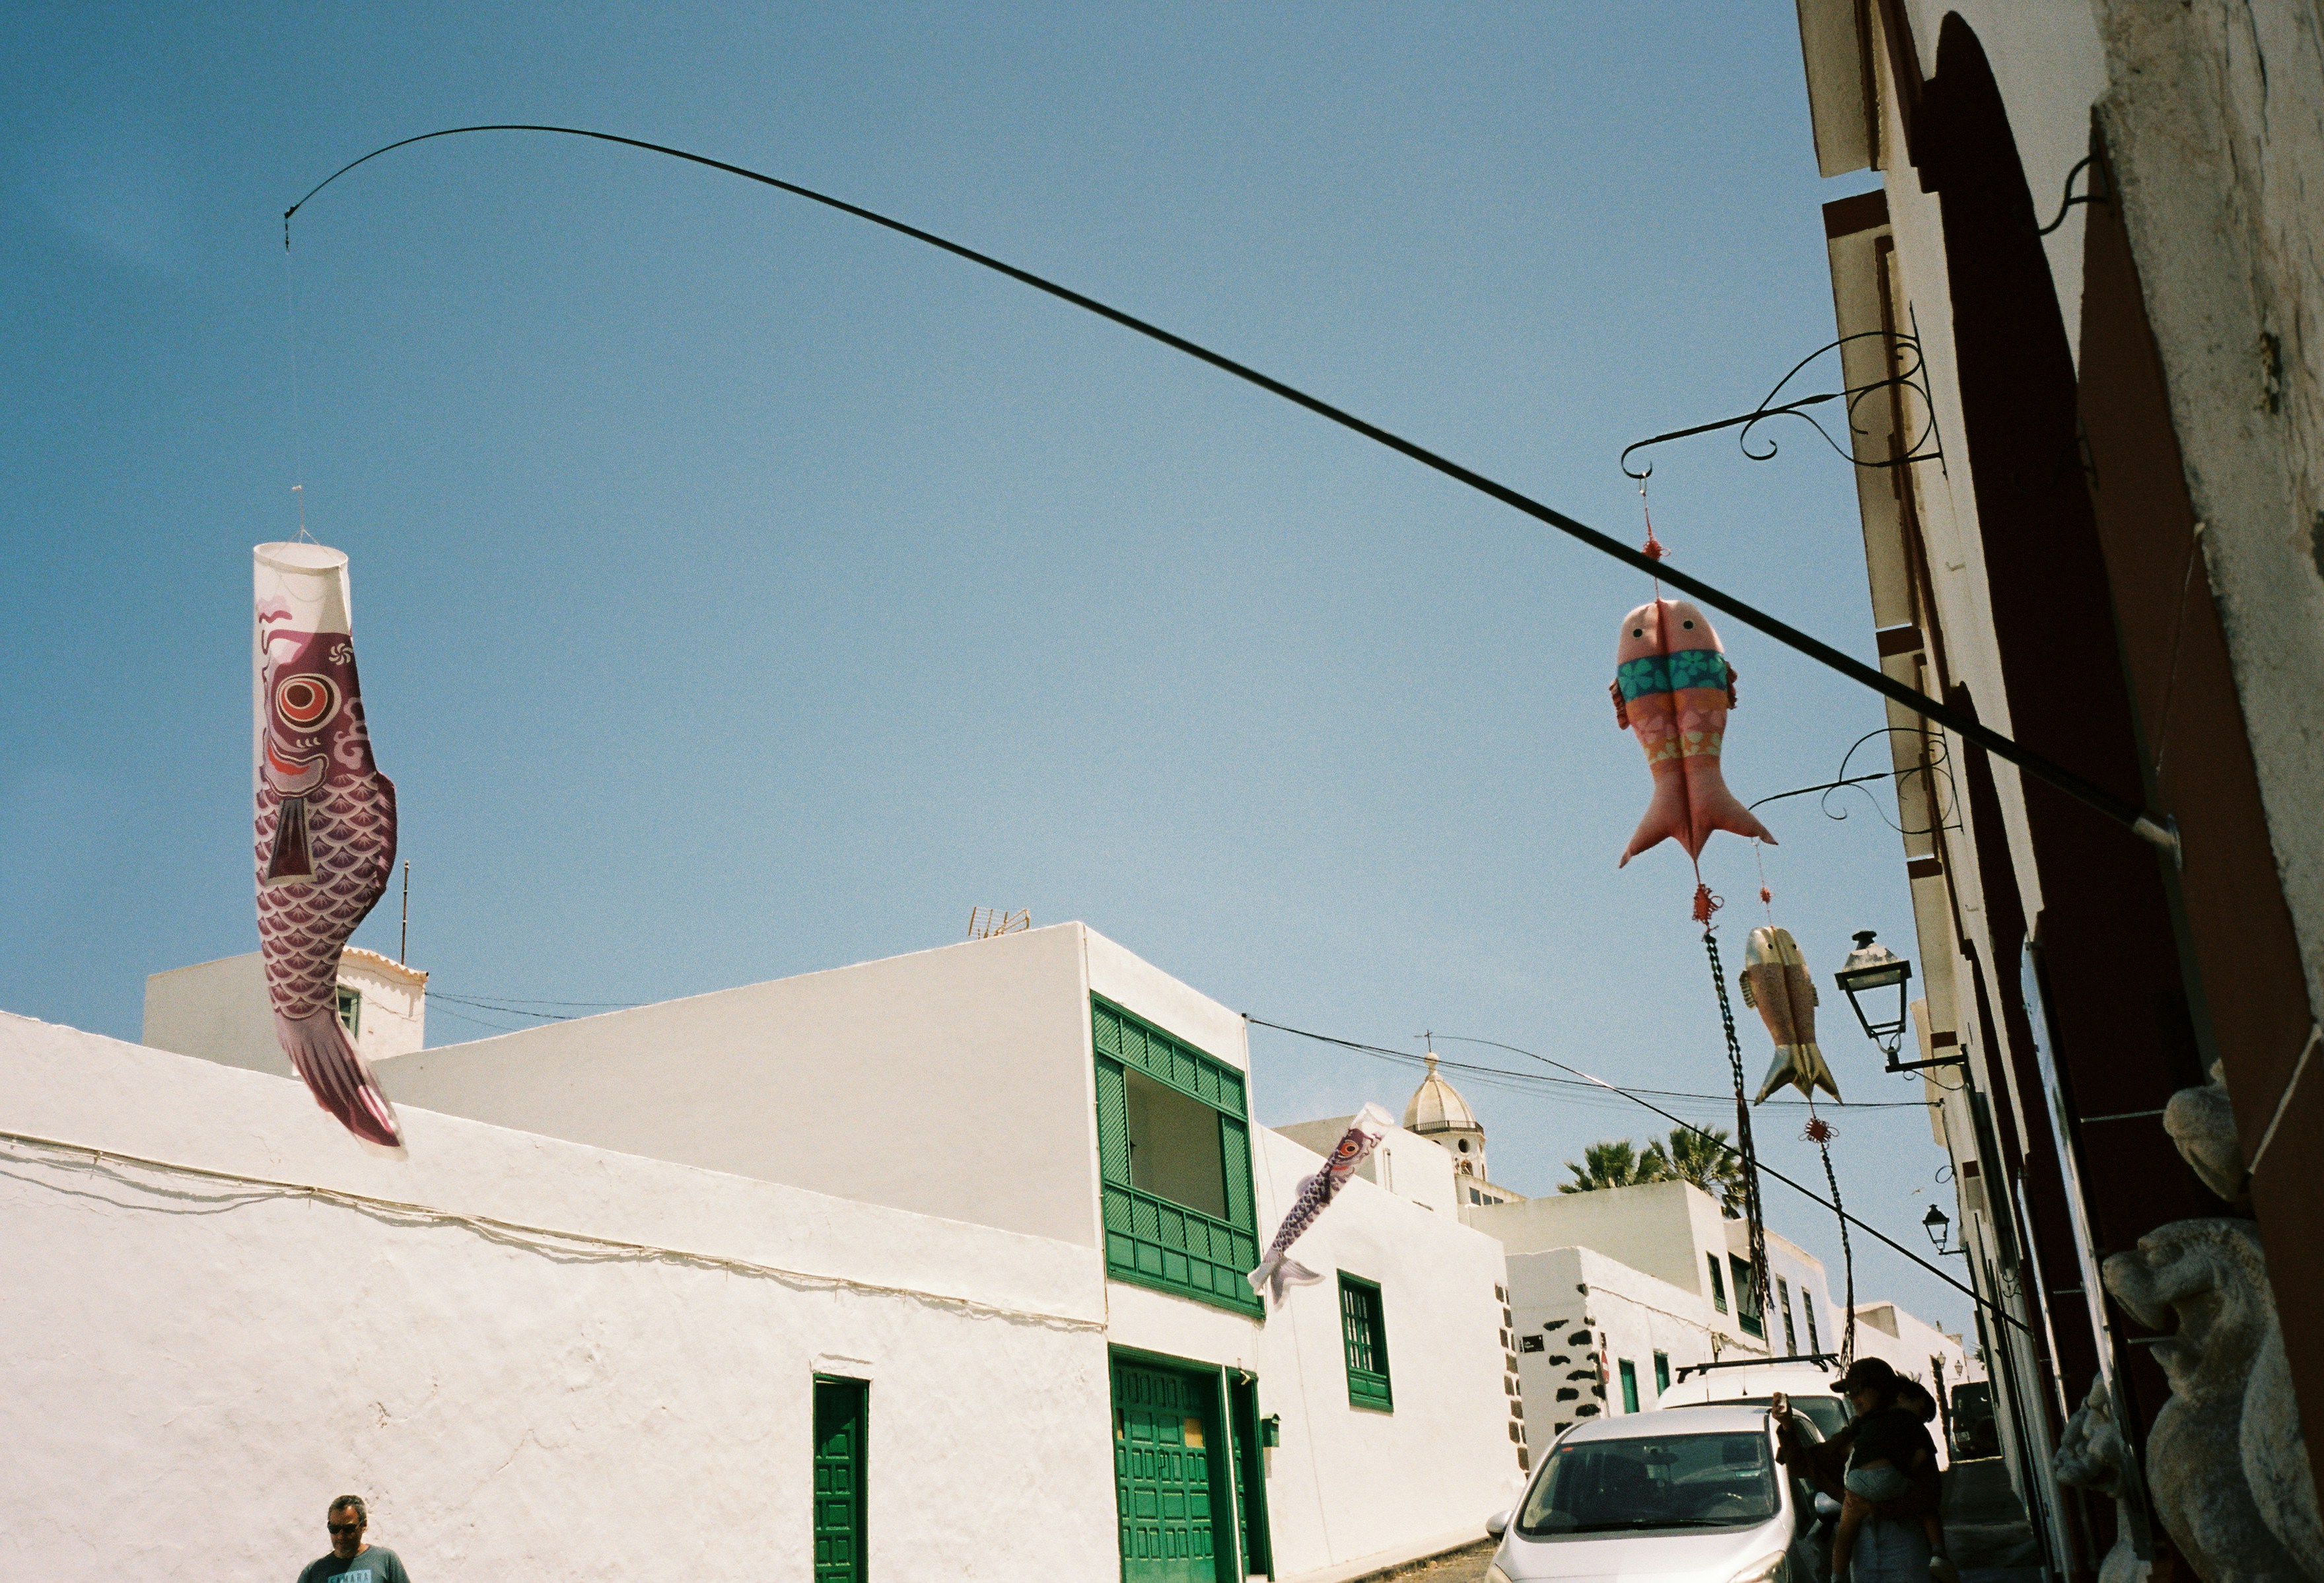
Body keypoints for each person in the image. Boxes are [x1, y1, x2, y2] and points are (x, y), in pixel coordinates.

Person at [1828, 1393, 1956, 1583]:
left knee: (1847, 1528)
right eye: (1922, 1411)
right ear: (1901, 1397)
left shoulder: (1867, 1426)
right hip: (1883, 1524)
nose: (1921, 1418)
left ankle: (1836, 1577)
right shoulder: (1906, 1429)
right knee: (1928, 1513)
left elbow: (1927, 1494)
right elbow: (1927, 1492)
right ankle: (1939, 1552)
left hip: (1886, 1526)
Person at [298, 1496, 410, 1583]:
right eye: (334, 1529)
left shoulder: (385, 1561)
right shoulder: (314, 1571)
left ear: (364, 1525)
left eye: (348, 1528)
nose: (341, 1536)